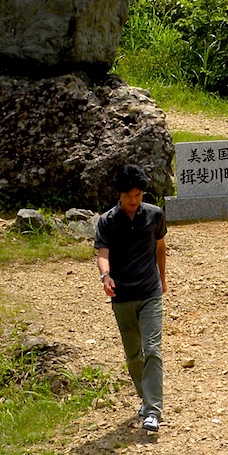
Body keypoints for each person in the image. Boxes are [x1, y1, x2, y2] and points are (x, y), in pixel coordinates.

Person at [95, 163, 168, 433]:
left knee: (152, 350)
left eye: (138, 195)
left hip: (150, 293)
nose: (134, 201)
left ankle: (152, 410)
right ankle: (145, 396)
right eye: (129, 196)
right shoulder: (107, 222)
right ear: (120, 195)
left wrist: (163, 279)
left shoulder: (154, 215)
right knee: (133, 355)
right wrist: (106, 277)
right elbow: (103, 254)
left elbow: (160, 247)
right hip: (123, 296)